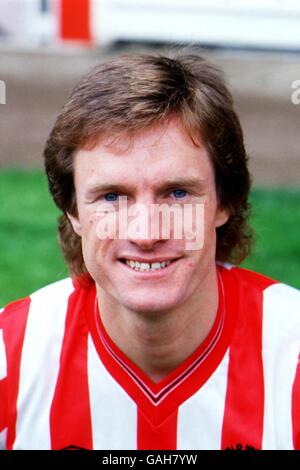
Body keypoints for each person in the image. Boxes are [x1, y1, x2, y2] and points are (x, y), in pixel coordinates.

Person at [0, 50, 299, 451]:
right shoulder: (9, 356)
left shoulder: (291, 357)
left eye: (177, 193)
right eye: (111, 196)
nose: (145, 232)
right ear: (73, 210)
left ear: (224, 202)